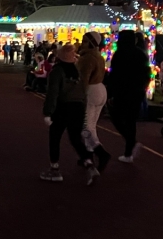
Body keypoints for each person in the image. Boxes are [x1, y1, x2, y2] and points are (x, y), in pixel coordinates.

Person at [41, 44, 97, 184]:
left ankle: (55, 169)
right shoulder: (77, 71)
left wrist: (48, 113)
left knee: (55, 136)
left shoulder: (57, 71)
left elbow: (53, 93)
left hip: (63, 106)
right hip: (78, 107)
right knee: (76, 138)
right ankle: (89, 164)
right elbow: (82, 91)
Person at [107, 30, 151, 163]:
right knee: (131, 120)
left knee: (116, 117)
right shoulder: (140, 54)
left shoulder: (119, 54)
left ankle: (131, 143)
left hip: (122, 91)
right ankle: (128, 152)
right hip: (137, 91)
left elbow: (114, 75)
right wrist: (143, 87)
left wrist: (111, 92)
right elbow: (146, 72)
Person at [77, 31, 112, 172]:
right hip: (100, 89)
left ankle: (100, 153)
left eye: (85, 41)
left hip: (91, 91)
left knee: (85, 127)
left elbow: (83, 79)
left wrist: (80, 95)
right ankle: (88, 154)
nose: (82, 43)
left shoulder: (87, 58)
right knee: (91, 125)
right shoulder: (99, 56)